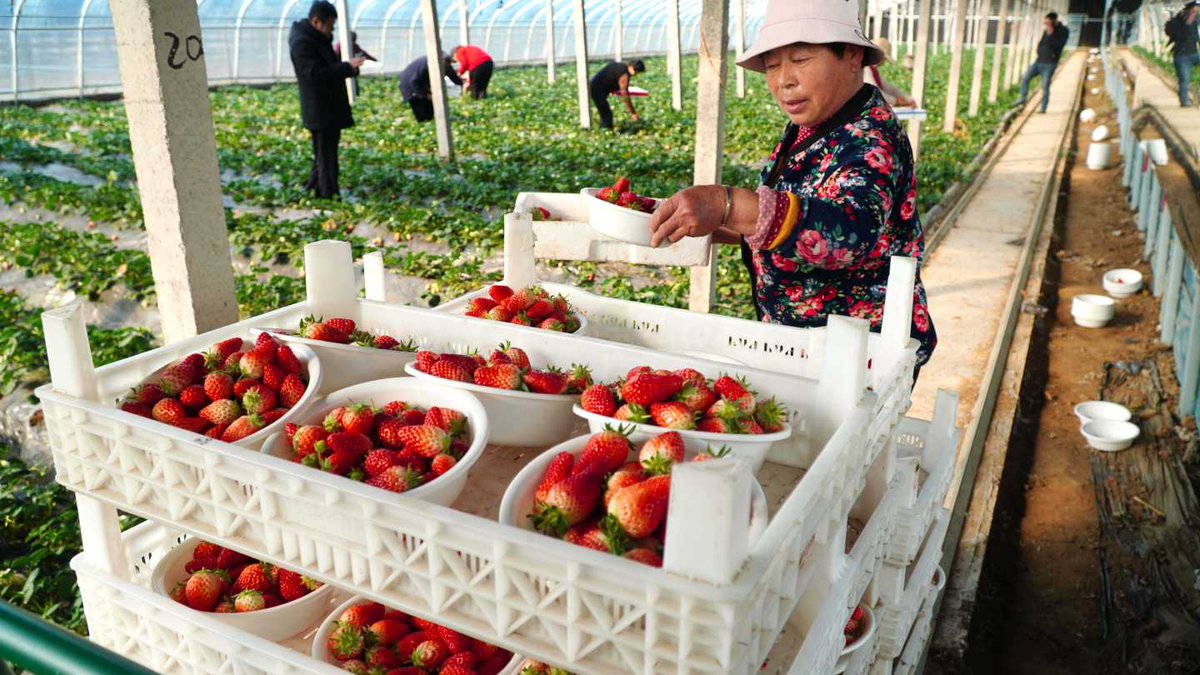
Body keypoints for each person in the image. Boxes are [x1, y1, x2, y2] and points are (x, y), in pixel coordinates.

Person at [647, 0, 936, 374]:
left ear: (851, 55)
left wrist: (728, 204)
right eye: (771, 66)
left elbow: (849, 231)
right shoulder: (815, 124)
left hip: (857, 359)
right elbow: (797, 210)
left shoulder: (869, 140)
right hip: (805, 344)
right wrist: (723, 227)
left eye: (799, 59)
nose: (783, 79)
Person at [289, 1, 364, 199]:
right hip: (320, 109)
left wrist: (348, 68)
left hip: (328, 107)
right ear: (316, 21)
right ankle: (329, 196)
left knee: (324, 154)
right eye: (330, 25)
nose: (332, 29)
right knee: (326, 157)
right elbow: (314, 74)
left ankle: (314, 190)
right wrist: (347, 67)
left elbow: (326, 68)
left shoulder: (316, 38)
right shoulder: (302, 42)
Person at [1017, 12, 1070, 113]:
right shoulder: (1047, 30)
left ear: (1054, 21)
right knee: (1025, 77)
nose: (1046, 25)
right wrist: (1039, 51)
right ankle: (1022, 98)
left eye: (1048, 22)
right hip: (1039, 61)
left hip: (1050, 64)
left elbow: (1059, 45)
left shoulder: (1063, 31)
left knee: (1045, 86)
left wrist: (1051, 33)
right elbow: (1042, 42)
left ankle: (1043, 108)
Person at [398, 54, 462, 122]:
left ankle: (432, 122)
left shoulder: (443, 64)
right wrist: (426, 95)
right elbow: (413, 82)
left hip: (420, 85)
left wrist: (462, 83)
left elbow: (451, 74)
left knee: (431, 110)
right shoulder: (427, 64)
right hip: (410, 88)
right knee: (422, 113)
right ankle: (425, 122)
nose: (446, 68)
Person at [589, 60, 645, 130]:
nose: (635, 74)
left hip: (594, 85)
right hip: (597, 89)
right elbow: (625, 96)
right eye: (636, 71)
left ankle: (604, 129)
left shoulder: (620, 67)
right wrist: (633, 113)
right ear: (631, 67)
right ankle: (605, 131)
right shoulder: (624, 75)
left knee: (604, 112)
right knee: (606, 114)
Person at [863, 38, 916, 108]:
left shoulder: (872, 70)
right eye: (884, 59)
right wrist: (895, 101)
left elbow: (890, 88)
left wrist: (907, 99)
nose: (884, 62)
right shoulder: (865, 69)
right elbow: (875, 93)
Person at [1166, 1, 1200, 106]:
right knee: (1184, 79)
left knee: (1185, 79)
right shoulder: (1178, 21)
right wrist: (1187, 19)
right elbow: (1175, 33)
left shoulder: (1196, 20)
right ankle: (1184, 102)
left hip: (1195, 53)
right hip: (1182, 56)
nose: (1198, 10)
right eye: (1196, 8)